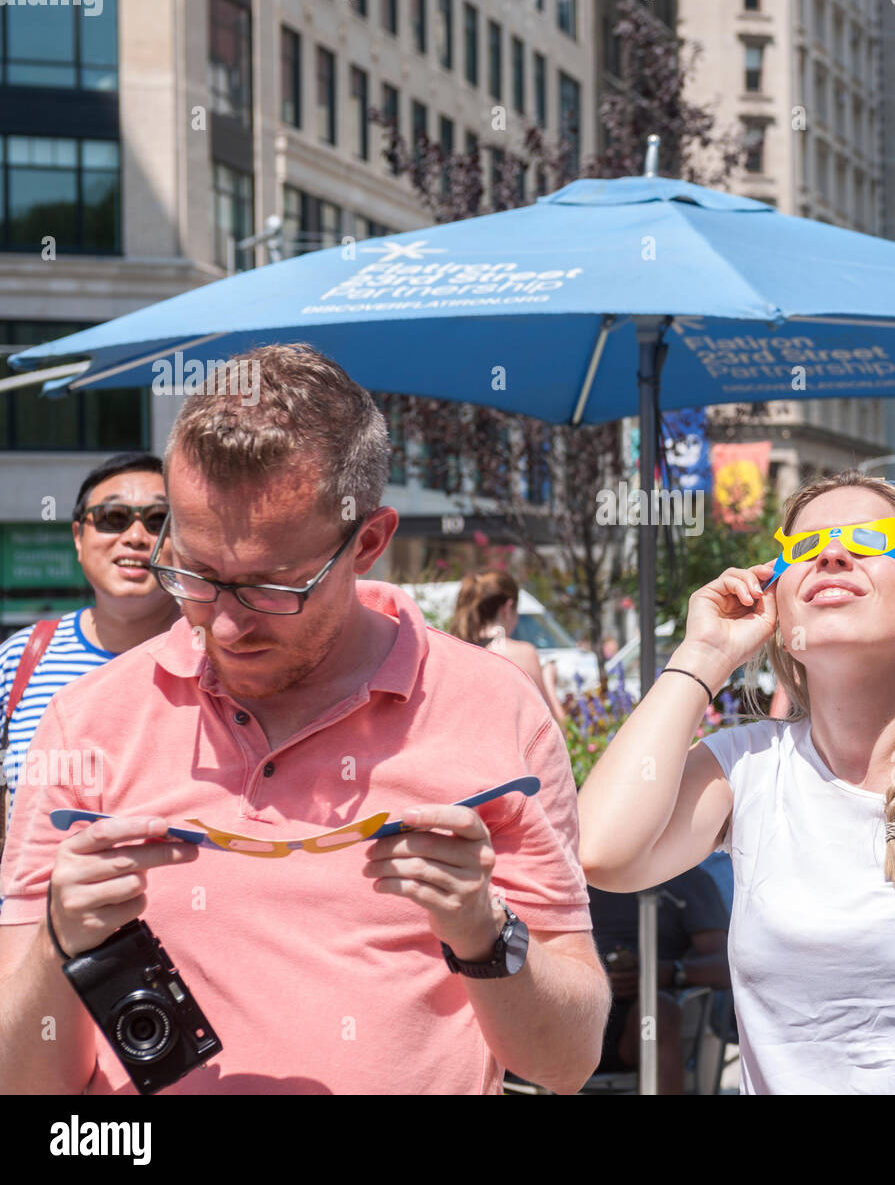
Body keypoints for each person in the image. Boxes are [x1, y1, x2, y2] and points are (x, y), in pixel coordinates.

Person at [0, 343, 608, 1095]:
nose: (222, 627)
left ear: (370, 543)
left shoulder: (493, 708)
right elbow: (25, 1086)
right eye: (195, 575)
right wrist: (62, 943)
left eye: (269, 588)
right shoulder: (88, 720)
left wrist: (485, 934)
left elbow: (568, 1060)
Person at [578, 469, 895, 1095]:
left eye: (870, 541)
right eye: (803, 547)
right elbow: (601, 851)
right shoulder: (747, 764)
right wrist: (703, 657)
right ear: (777, 597)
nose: (832, 554)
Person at [1, 453, 179, 841]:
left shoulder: (221, 656)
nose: (135, 537)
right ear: (79, 537)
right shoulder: (20, 658)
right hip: (31, 900)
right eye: (113, 518)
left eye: (158, 521)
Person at [587, 866, 730, 1092]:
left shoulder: (687, 880)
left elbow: (724, 966)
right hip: (574, 1013)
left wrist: (668, 973)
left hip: (642, 1027)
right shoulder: (570, 872)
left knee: (656, 1013)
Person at [449, 571, 566, 726]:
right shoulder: (521, 653)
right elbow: (552, 726)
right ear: (507, 607)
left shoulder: (454, 650)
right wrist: (548, 681)